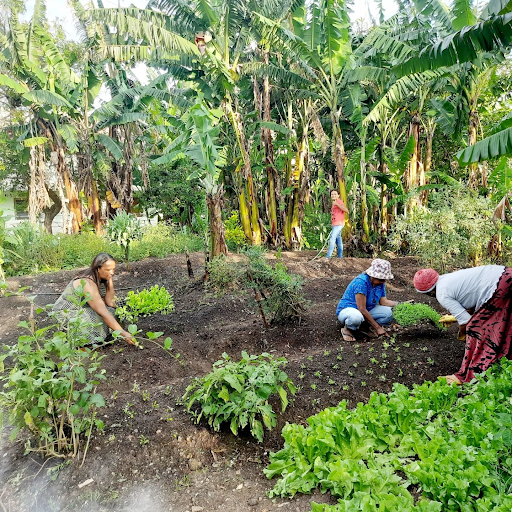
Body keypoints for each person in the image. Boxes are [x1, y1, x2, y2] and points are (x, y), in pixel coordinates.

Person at [413, 265, 512, 384]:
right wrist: (454, 318)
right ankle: (505, 360)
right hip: (506, 274)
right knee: (506, 321)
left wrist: (462, 333)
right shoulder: (447, 279)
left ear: (428, 292)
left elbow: (466, 321)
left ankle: (471, 374)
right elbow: (473, 304)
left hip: (499, 286)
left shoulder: (442, 294)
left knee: (476, 328)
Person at [53, 253, 135, 345]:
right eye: (108, 270)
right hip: (67, 313)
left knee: (113, 310)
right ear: (98, 269)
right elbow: (102, 312)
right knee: (96, 318)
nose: (112, 272)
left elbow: (110, 302)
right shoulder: (87, 282)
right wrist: (123, 333)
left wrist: (110, 279)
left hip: (83, 309)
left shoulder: (102, 277)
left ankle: (102, 338)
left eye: (113, 269)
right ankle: (83, 344)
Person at [337, 259, 398, 342]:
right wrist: (378, 328)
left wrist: (401, 305)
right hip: (349, 309)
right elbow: (361, 309)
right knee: (355, 317)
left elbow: (384, 302)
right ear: (373, 276)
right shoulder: (361, 283)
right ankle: (348, 329)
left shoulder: (380, 284)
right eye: (381, 279)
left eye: (384, 279)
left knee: (392, 313)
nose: (384, 281)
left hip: (368, 309)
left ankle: (364, 327)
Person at [326, 190, 349, 259]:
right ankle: (340, 257)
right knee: (338, 239)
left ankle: (328, 256)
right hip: (335, 223)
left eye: (335, 194)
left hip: (339, 223)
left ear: (338, 195)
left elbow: (346, 210)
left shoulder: (339, 201)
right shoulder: (333, 203)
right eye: (332, 194)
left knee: (332, 238)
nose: (333, 195)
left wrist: (337, 204)